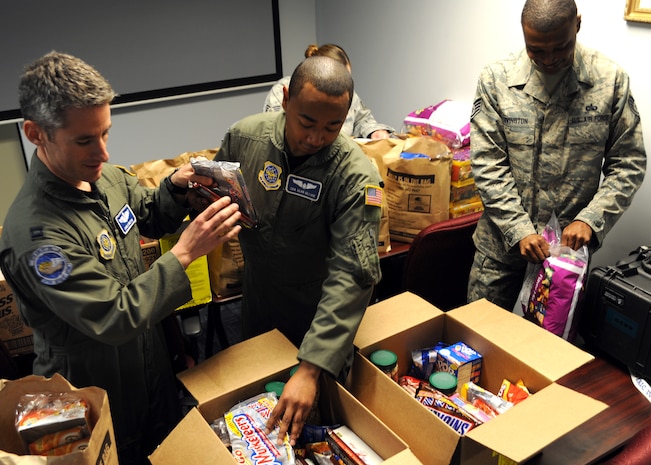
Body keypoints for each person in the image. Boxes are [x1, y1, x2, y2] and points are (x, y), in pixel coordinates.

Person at [0, 51, 242, 465]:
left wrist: (176, 187)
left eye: (105, 134)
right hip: (89, 393)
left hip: (148, 369)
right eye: (84, 140)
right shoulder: (38, 237)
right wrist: (186, 252)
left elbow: (147, 213)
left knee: (165, 447)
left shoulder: (103, 177)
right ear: (35, 134)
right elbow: (114, 316)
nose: (103, 153)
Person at [218, 55, 383, 445]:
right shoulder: (245, 137)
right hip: (257, 305)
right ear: (287, 99)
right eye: (306, 122)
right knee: (258, 424)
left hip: (321, 319)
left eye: (332, 126)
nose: (315, 138)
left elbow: (351, 276)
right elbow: (218, 193)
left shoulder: (356, 175)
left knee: (314, 430)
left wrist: (312, 367)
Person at [467, 0, 646, 311]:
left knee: (549, 353)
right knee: (479, 343)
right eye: (535, 49)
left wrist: (591, 220)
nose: (549, 59)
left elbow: (628, 163)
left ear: (577, 24)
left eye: (561, 47)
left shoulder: (610, 81)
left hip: (565, 258)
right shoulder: (496, 79)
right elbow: (487, 164)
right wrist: (518, 229)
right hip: (500, 251)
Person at [264, 43, 395, 140]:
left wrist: (375, 131)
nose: (345, 85)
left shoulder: (346, 93)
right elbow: (277, 132)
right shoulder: (286, 90)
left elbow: (363, 120)